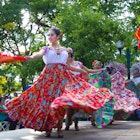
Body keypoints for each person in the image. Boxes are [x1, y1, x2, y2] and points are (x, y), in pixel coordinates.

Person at [6, 26, 114, 138]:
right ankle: (48, 127)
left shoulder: (65, 50)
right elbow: (37, 55)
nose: (49, 37)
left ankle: (59, 129)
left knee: (60, 103)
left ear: (58, 36)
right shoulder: (46, 49)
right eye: (48, 35)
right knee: (47, 104)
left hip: (62, 78)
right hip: (48, 79)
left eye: (52, 35)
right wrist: (29, 57)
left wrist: (82, 70)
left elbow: (68, 66)